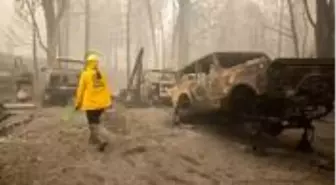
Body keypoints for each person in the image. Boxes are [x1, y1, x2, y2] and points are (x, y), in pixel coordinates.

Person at [75, 53, 112, 152]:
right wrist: (108, 102)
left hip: (91, 104)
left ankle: (102, 139)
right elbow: (106, 89)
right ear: (96, 63)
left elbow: (81, 90)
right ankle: (92, 139)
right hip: (102, 104)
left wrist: (78, 103)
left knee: (93, 123)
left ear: (88, 63)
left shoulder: (85, 74)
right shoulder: (101, 74)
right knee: (95, 121)